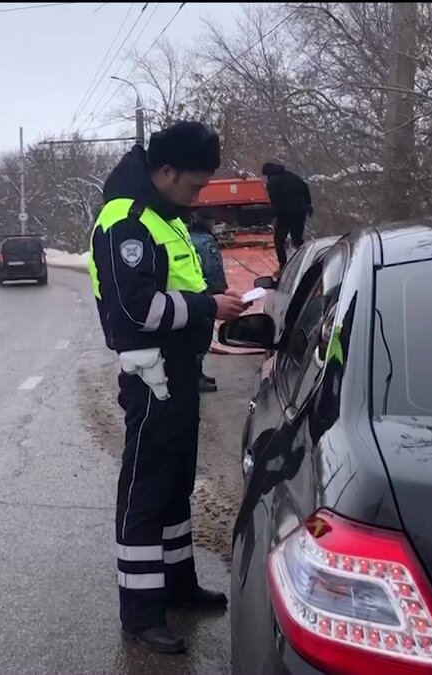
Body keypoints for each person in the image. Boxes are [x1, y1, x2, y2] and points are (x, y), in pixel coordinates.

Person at [88, 121, 252, 655]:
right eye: (194, 185)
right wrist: (210, 307)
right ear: (164, 171)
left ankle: (178, 586)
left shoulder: (164, 214)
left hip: (178, 371)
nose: (198, 194)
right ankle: (141, 611)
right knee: (146, 490)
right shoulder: (127, 222)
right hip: (151, 374)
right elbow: (137, 307)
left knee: (176, 480)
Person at [188, 208, 228, 393]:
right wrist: (220, 292)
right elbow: (213, 269)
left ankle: (196, 375)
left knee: (191, 338)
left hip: (188, 296)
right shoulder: (206, 241)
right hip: (205, 293)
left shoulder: (186, 236)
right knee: (202, 339)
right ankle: (195, 377)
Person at [262, 161, 313, 268]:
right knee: (297, 239)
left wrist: (272, 216)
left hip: (284, 214)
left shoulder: (272, 182)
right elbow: (305, 189)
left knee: (279, 240)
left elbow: (273, 201)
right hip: (300, 212)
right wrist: (308, 205)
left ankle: (283, 266)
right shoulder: (292, 176)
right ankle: (307, 262)